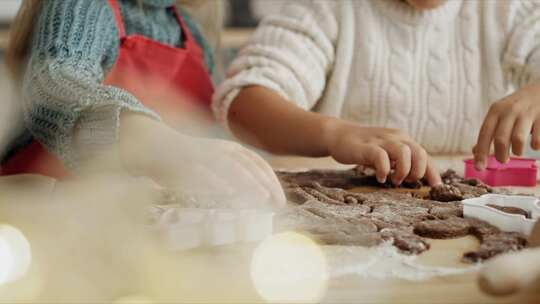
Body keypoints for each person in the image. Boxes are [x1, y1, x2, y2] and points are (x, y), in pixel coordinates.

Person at [213, 0, 540, 186]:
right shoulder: (326, 7)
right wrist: (333, 133)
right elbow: (243, 102)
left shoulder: (512, 8)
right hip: (347, 209)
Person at [3, 0, 285, 207]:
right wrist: (155, 143)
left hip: (141, 236)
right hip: (50, 223)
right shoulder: (82, 6)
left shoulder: (189, 29)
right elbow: (53, 86)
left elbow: (206, 137)